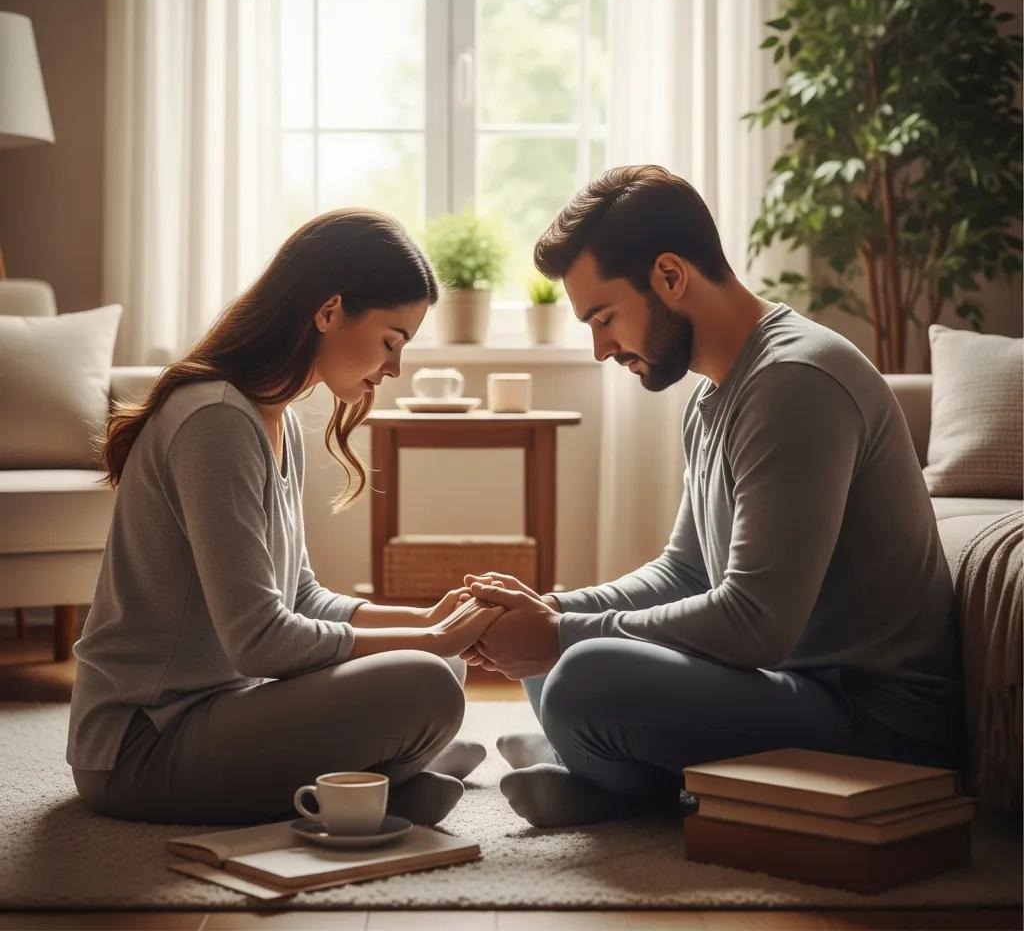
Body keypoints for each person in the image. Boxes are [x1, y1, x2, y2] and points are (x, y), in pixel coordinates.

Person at [462, 165, 964, 828]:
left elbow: (756, 623)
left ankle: (614, 781)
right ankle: (597, 765)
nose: (601, 348)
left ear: (670, 276)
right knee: (550, 646)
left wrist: (560, 634)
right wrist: (549, 610)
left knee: (582, 674)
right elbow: (685, 572)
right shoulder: (713, 395)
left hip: (874, 724)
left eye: (604, 317)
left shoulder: (794, 382)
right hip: (792, 687)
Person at [68, 209, 503, 826]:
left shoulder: (276, 419)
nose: (395, 369)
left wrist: (430, 621)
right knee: (427, 681)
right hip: (141, 745)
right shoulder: (215, 419)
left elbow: (300, 597)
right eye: (391, 341)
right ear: (328, 311)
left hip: (224, 710)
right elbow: (260, 641)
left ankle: (383, 777)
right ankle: (388, 776)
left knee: (442, 666)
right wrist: (427, 640)